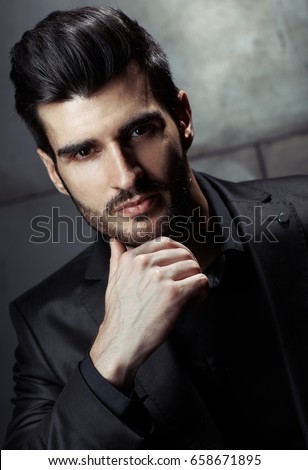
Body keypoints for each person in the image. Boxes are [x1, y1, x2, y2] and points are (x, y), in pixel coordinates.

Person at [4, 6, 308, 450]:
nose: (125, 176)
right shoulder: (46, 325)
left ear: (182, 118)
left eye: (140, 130)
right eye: (84, 153)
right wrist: (111, 357)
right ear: (54, 171)